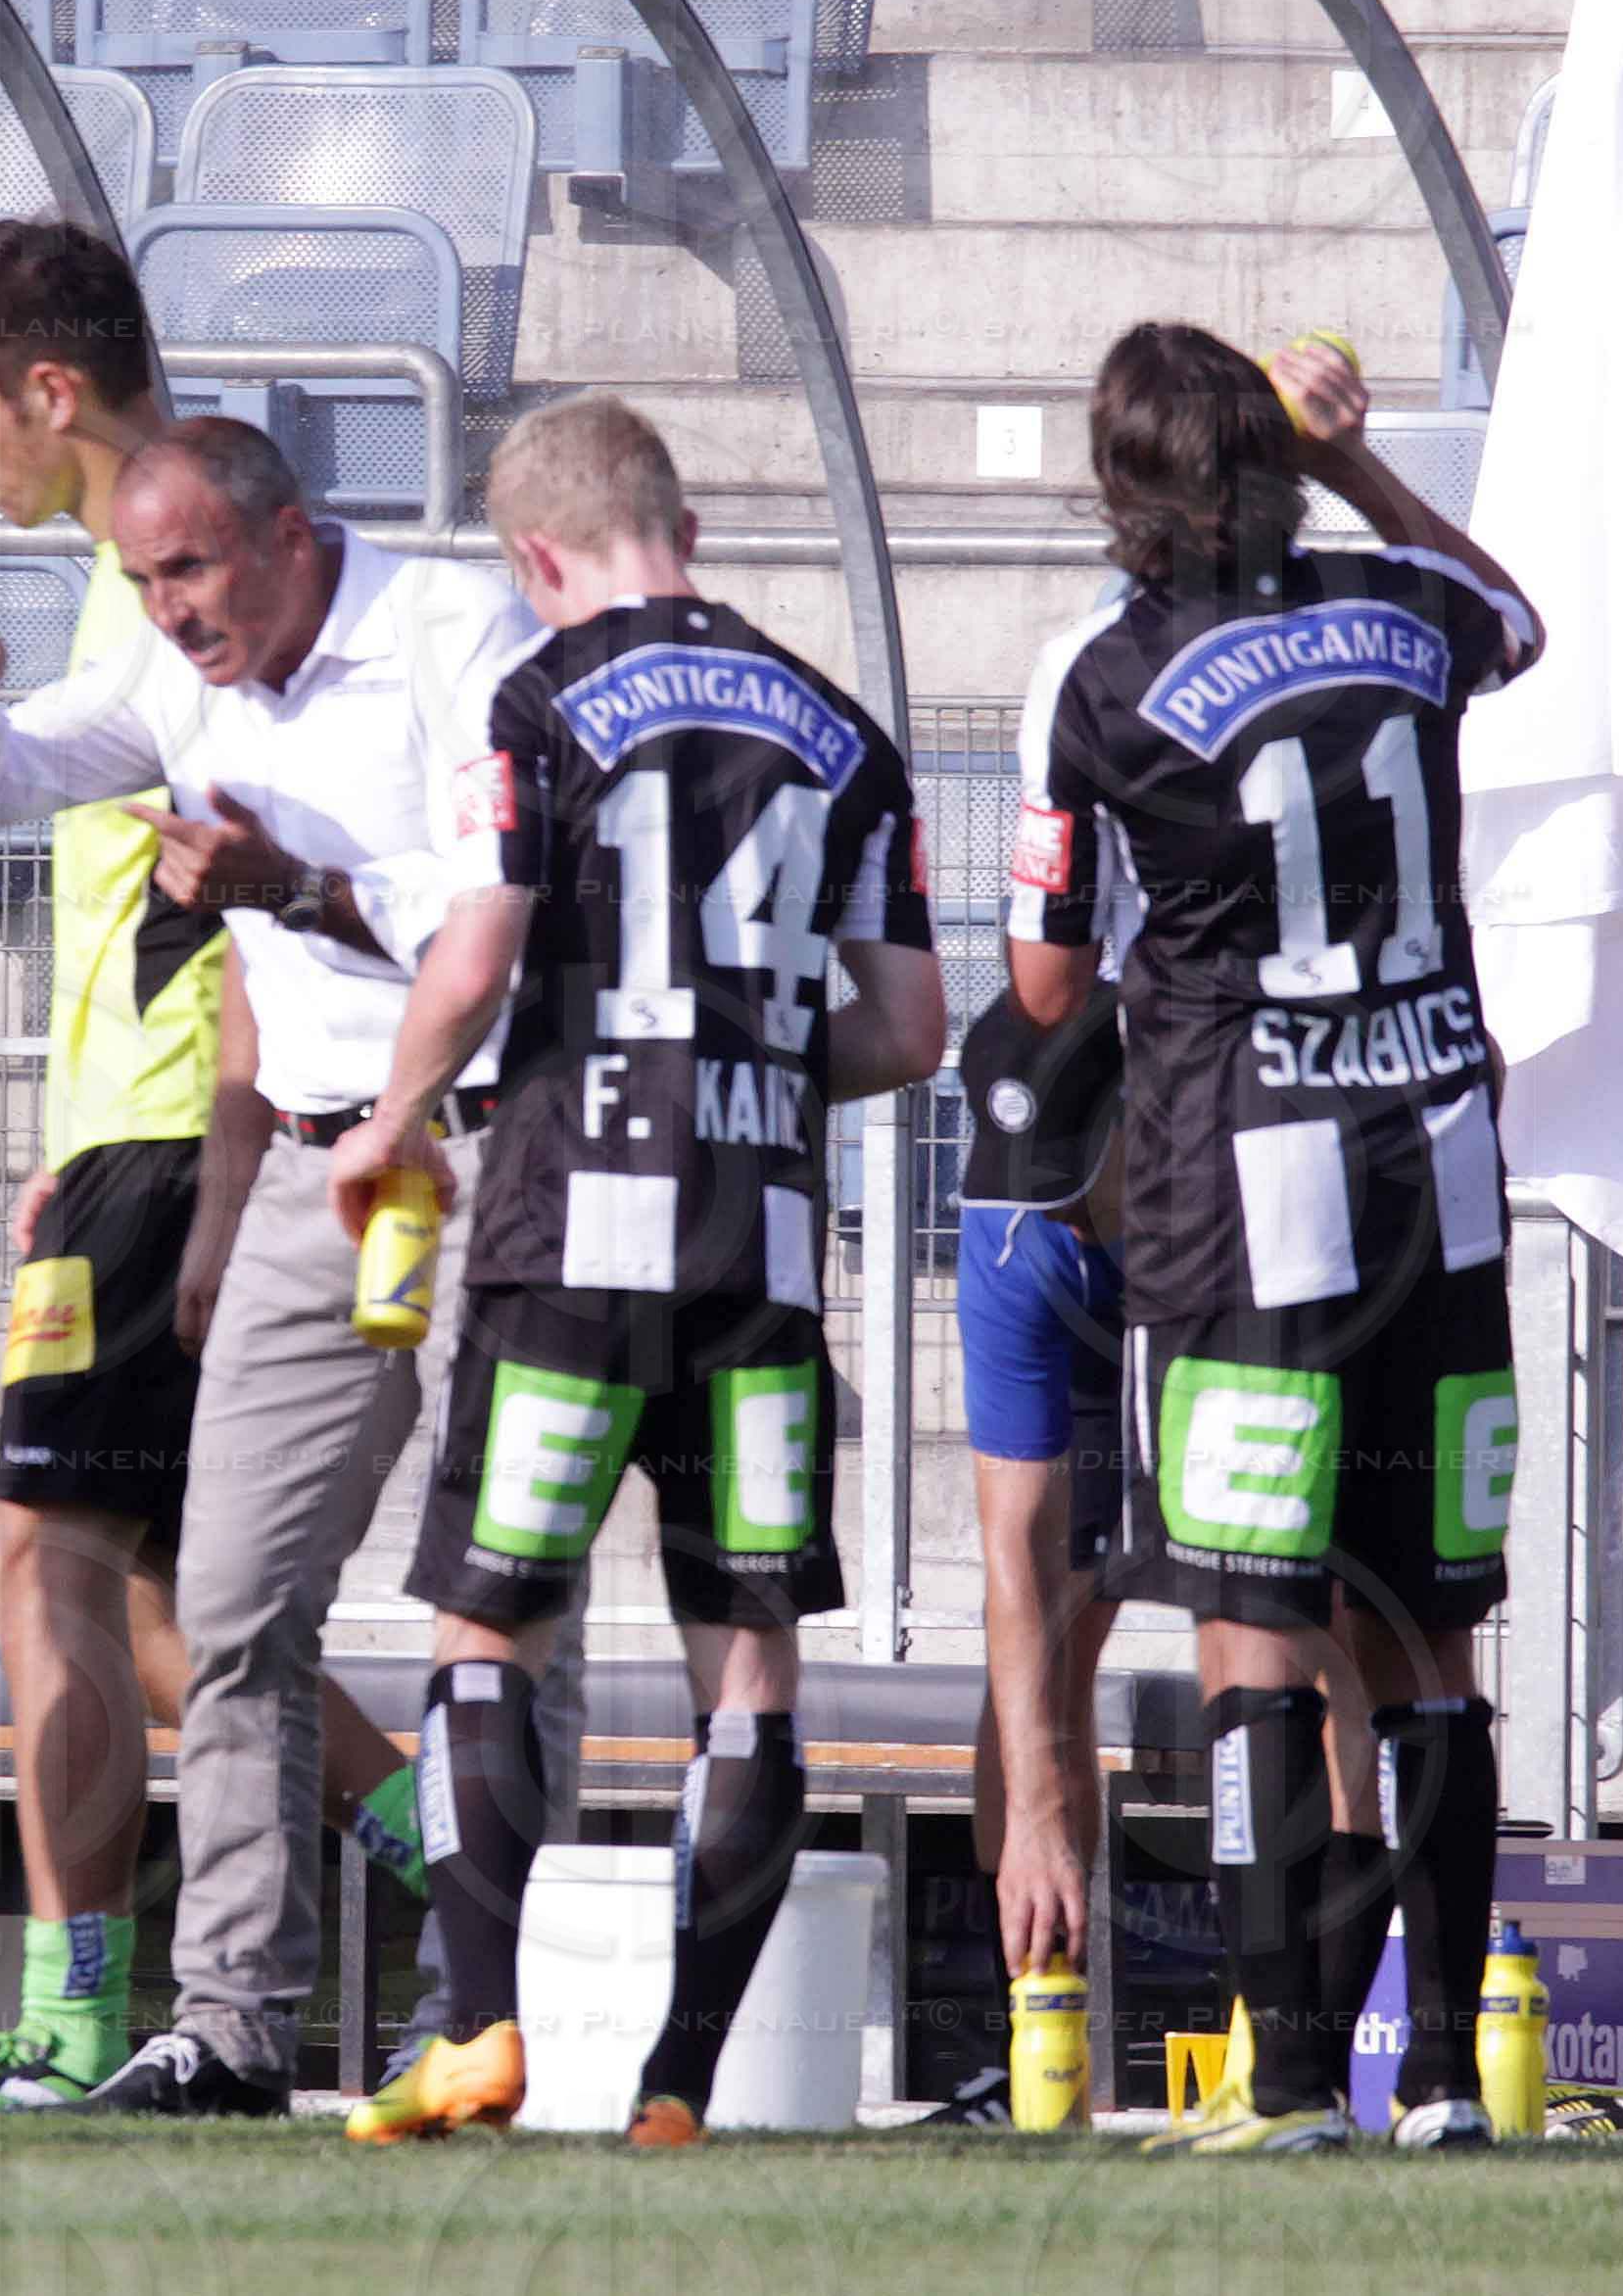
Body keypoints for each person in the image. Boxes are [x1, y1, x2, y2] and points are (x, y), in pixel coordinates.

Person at [0, 414, 539, 2117]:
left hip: (495, 1144)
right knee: (225, 1605)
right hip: (304, 1166)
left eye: (195, 568)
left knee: (502, 1598)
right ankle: (229, 2023)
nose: (174, 611)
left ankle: (496, 2003)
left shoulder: (451, 629)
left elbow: (509, 900)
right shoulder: (175, 665)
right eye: (145, 580)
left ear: (294, 530)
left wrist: (305, 888)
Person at [328, 395, 943, 2148]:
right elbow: (907, 1027)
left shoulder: (537, 699)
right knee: (745, 1664)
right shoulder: (841, 727)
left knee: (482, 1627)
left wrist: (395, 1110)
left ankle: (484, 2027)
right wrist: (736, 1069)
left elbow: (478, 948)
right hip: (754, 1247)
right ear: (680, 519)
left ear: (537, 557)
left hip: (568, 1241)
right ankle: (677, 2080)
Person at [1003, 325, 1541, 2156]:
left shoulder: (1098, 669)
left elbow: (1046, 970)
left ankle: (1296, 2074)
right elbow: (1515, 616)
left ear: (1122, 489)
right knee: (1431, 1640)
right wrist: (1363, 467)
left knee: (1251, 1619)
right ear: (1283, 465)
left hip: (1247, 1205)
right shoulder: (1401, 607)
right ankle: (1455, 2076)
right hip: (1440, 1177)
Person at [918, 984, 1128, 2125]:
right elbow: (1013, 1549)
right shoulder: (1015, 1226)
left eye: (1075, 1186)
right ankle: (1047, 2043)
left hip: (1216, 1286)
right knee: (1041, 1668)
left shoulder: (1219, 1174)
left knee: (1286, 1617)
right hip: (1079, 1327)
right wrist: (1038, 1818)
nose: (1065, 1211)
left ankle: (1299, 2040)